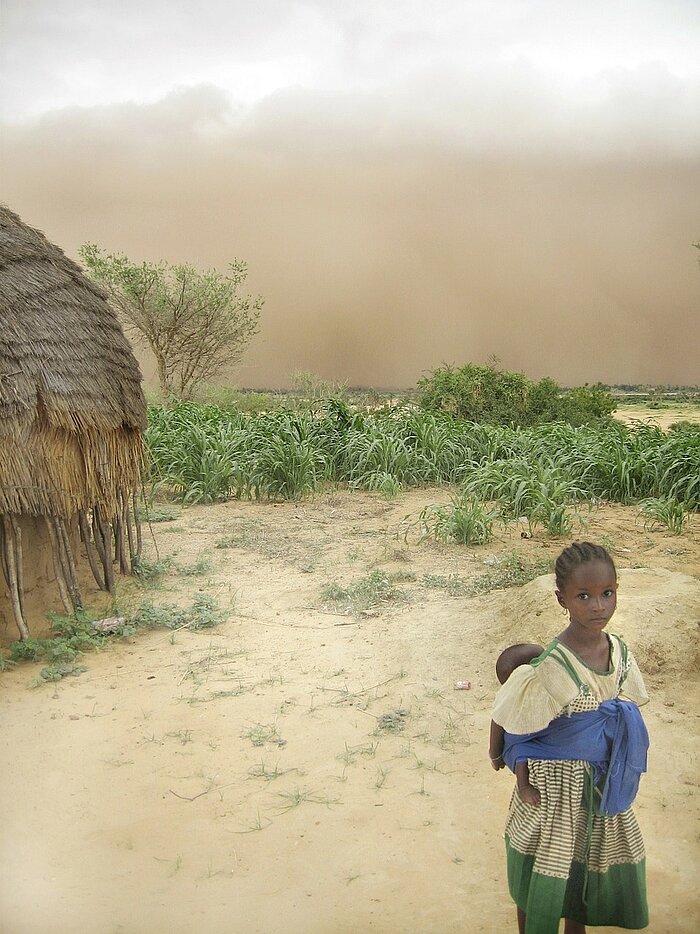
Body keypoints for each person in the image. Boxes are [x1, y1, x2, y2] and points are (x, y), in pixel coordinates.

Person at [490, 542, 650, 934]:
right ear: (562, 599)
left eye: (607, 594)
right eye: (584, 596)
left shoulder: (620, 652)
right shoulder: (550, 666)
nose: (598, 606)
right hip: (552, 790)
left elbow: (624, 705)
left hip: (597, 786)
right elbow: (509, 715)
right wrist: (502, 759)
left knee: (582, 864)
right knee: (540, 866)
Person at [489, 643, 545, 805]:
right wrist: (496, 756)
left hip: (550, 737)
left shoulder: (553, 687)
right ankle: (524, 785)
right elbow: (497, 723)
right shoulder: (511, 701)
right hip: (526, 741)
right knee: (520, 748)